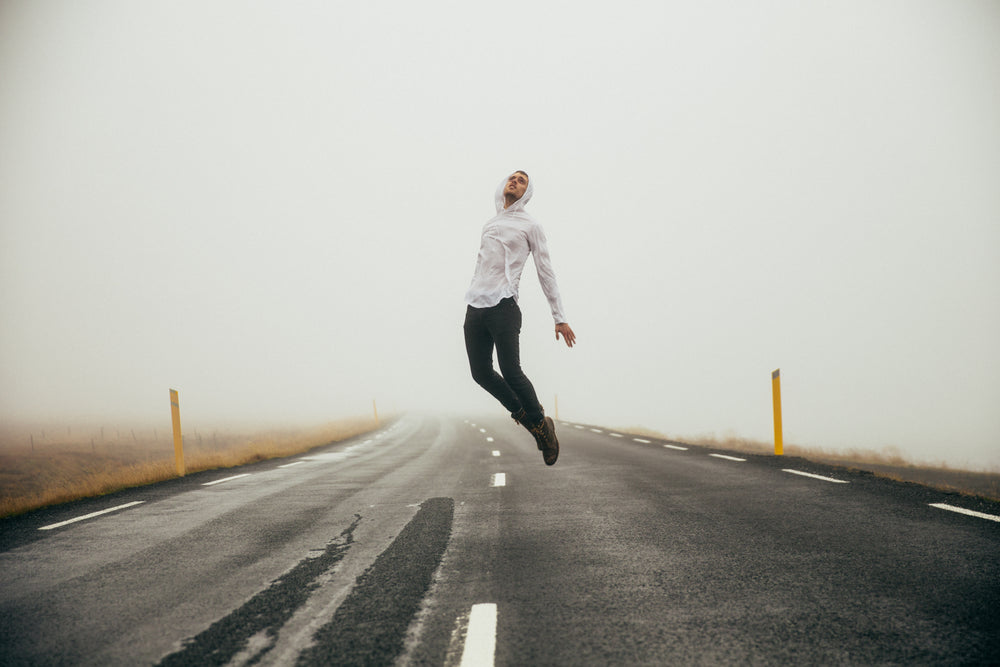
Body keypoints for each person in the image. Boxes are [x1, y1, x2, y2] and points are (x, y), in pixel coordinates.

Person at [463, 170, 576, 465]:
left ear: (527, 193)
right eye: (512, 177)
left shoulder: (531, 226)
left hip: (504, 306)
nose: (514, 181)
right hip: (475, 306)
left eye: (522, 180)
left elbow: (545, 271)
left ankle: (541, 427)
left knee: (511, 371)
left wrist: (559, 316)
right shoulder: (490, 224)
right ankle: (533, 421)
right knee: (480, 373)